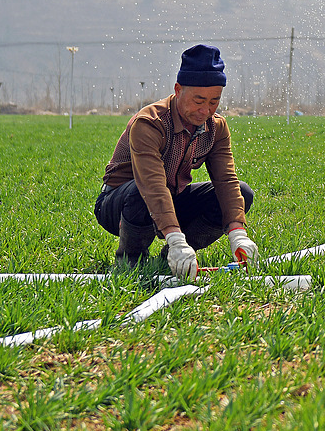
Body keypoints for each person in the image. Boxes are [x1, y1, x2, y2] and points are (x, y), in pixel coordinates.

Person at [94, 44, 258, 280]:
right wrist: (174, 236)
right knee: (141, 192)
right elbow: (152, 185)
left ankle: (174, 257)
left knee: (243, 192)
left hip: (170, 198)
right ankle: (131, 261)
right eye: (198, 100)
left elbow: (226, 180)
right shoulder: (150, 123)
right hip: (120, 204)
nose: (205, 110)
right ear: (178, 90)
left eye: (214, 102)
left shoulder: (216, 127)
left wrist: (237, 231)